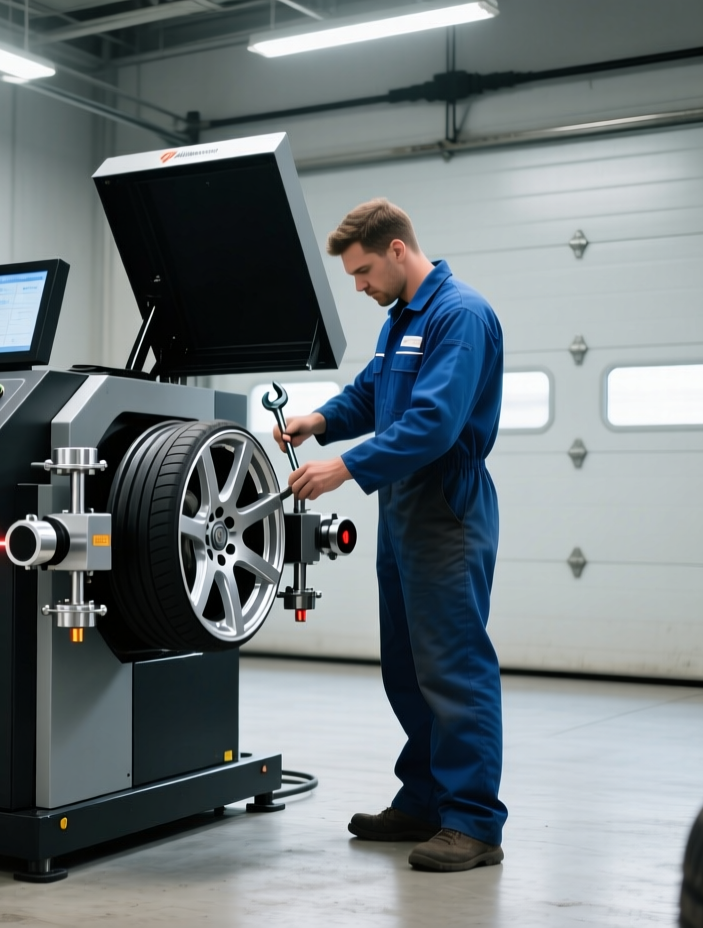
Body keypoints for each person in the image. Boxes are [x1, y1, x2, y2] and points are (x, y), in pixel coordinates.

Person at [275, 198, 507, 872]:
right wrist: (317, 421)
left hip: (445, 505)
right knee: (406, 665)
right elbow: (375, 392)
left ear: (399, 250)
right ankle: (426, 802)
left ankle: (474, 823)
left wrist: (344, 466)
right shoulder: (403, 320)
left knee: (453, 667)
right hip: (403, 506)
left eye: (364, 271)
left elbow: (434, 424)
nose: (360, 286)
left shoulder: (459, 315)